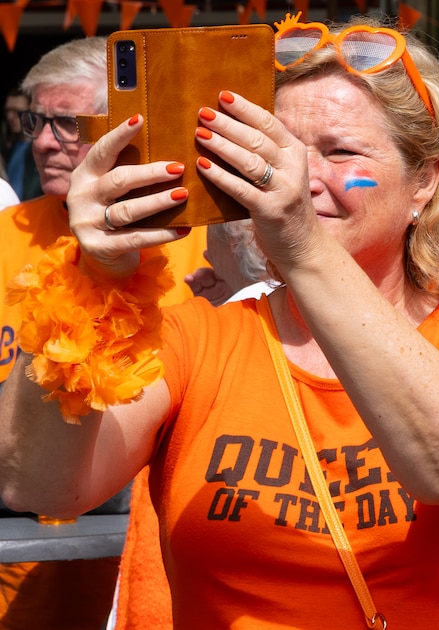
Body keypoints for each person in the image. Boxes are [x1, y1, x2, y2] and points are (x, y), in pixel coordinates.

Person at [0, 15, 439, 627]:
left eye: (341, 152)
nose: (301, 179)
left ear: (424, 182)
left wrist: (299, 240)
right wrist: (94, 272)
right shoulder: (201, 336)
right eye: (279, 154)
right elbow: (38, 483)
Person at [0, 37, 209, 630]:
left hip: (160, 567)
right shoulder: (3, 232)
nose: (43, 141)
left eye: (68, 123)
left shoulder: (192, 236)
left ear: (130, 129)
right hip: (21, 573)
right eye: (35, 120)